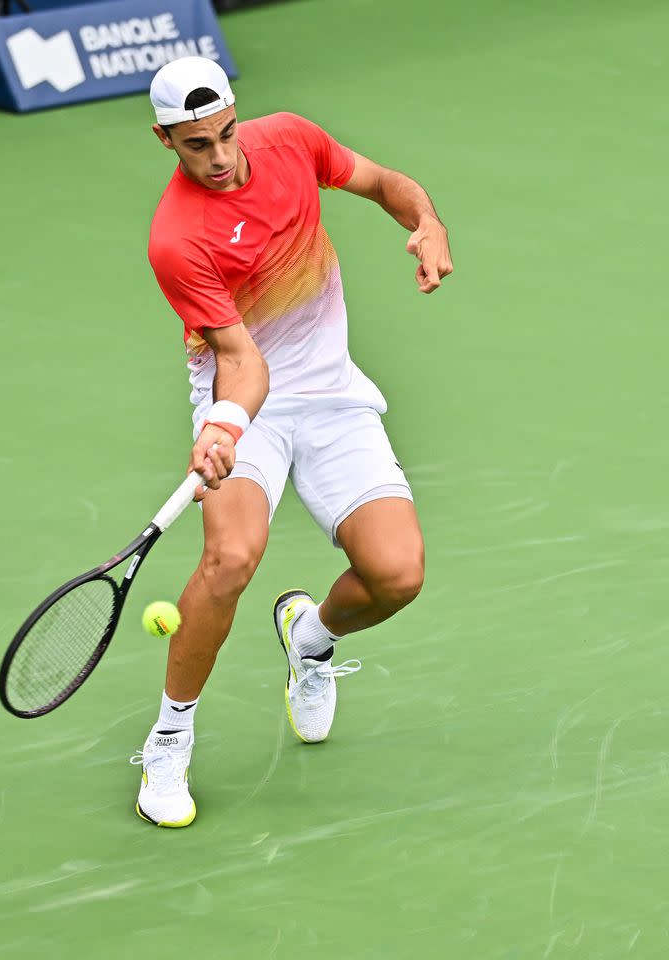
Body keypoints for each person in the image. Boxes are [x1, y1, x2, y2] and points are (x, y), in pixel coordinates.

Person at [131, 56, 453, 827]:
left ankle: (308, 640)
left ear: (239, 116)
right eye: (195, 144)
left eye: (224, 134)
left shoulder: (290, 142)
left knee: (397, 574)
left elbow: (384, 184)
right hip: (249, 404)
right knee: (230, 558)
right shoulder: (177, 239)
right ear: (165, 140)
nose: (217, 156)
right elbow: (242, 361)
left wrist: (427, 221)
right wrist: (224, 426)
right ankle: (169, 739)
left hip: (332, 393)